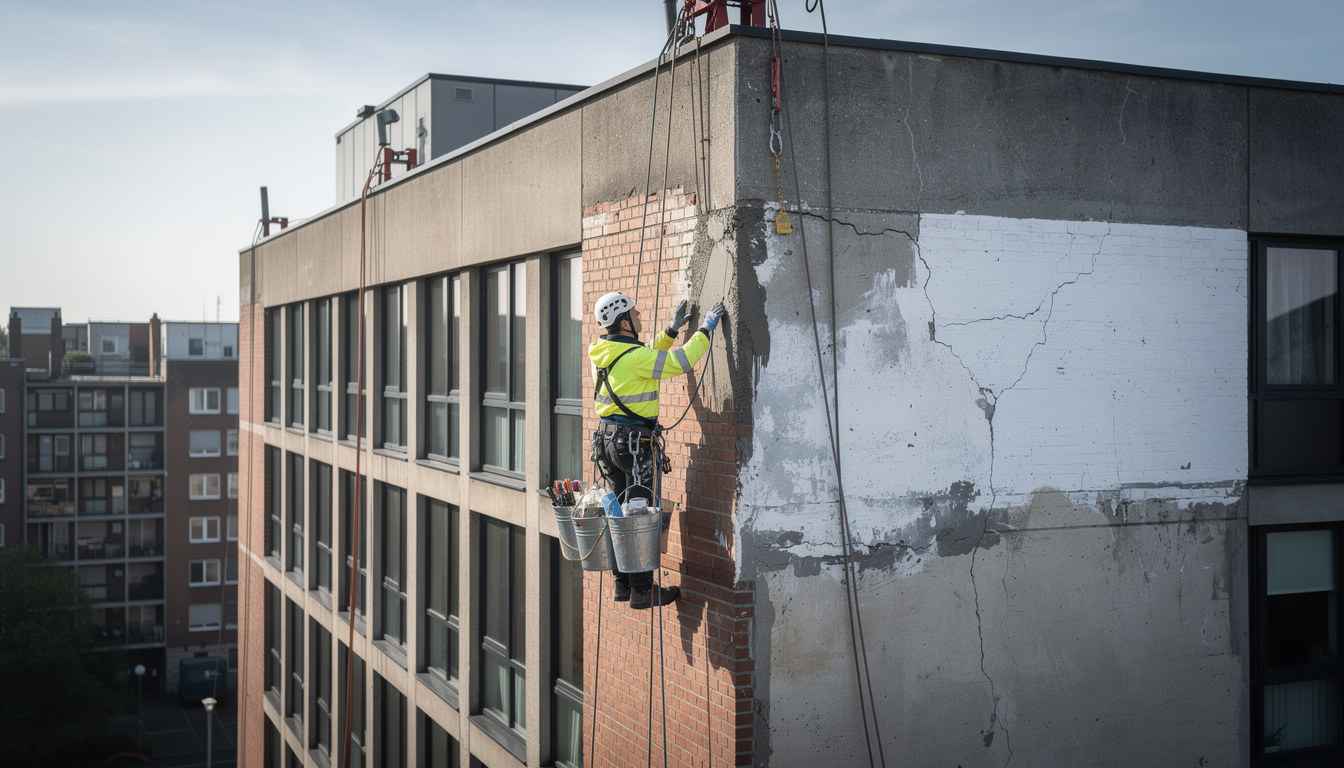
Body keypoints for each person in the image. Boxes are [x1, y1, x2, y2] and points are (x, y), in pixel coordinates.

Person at [589, 291, 726, 608]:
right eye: (635, 315)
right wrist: (706, 328)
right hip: (633, 445)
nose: (639, 318)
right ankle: (641, 590)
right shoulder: (634, 358)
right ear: (624, 322)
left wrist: (671, 331)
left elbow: (644, 357)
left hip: (608, 442)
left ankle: (622, 584)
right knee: (638, 514)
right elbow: (683, 360)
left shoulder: (605, 351)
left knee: (619, 513)